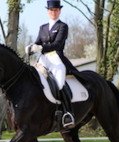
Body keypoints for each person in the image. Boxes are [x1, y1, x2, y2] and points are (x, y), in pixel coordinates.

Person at [25, 0, 76, 128]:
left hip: (56, 59)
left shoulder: (62, 26)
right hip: (43, 60)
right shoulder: (42, 27)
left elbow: (58, 44)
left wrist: (41, 48)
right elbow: (37, 42)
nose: (54, 12)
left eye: (56, 10)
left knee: (59, 83)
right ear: (48, 11)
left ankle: (67, 113)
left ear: (59, 11)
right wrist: (31, 48)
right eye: (52, 10)